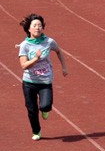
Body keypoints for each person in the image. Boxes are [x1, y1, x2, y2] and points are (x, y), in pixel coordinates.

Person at [18, 13, 68, 141]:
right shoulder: (24, 45)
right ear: (29, 28)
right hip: (29, 82)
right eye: (34, 25)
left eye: (39, 25)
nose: (37, 28)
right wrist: (35, 58)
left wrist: (64, 67)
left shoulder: (49, 42)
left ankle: (45, 110)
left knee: (45, 106)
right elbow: (24, 65)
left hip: (45, 80)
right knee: (31, 110)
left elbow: (59, 51)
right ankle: (36, 131)